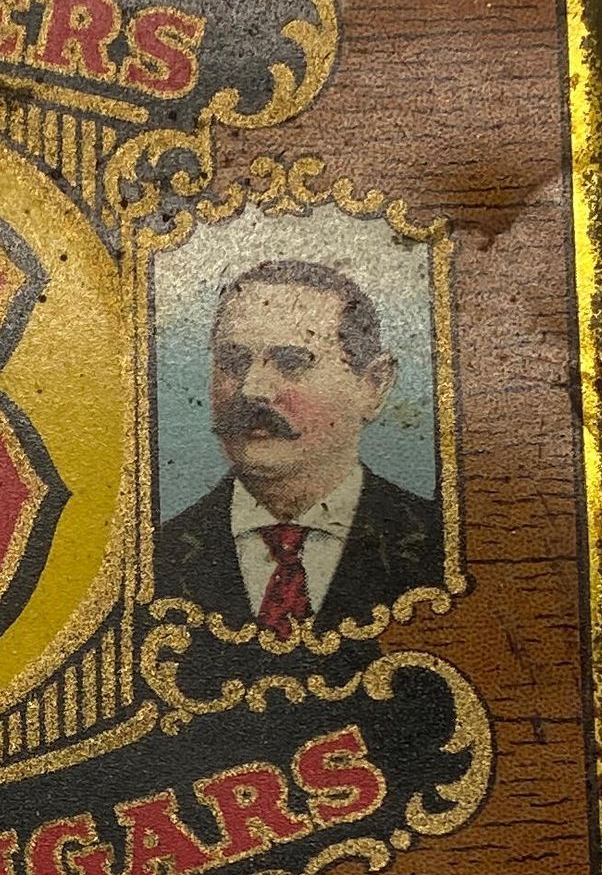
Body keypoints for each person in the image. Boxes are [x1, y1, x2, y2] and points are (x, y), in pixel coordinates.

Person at [154, 258, 443, 637]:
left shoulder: (440, 549)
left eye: (292, 362)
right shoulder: (157, 558)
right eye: (233, 361)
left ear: (372, 386)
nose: (252, 389)